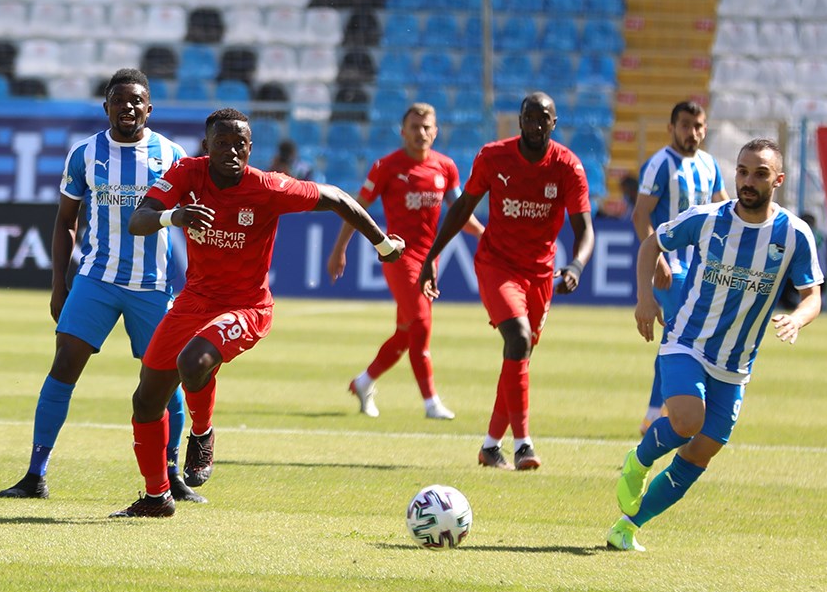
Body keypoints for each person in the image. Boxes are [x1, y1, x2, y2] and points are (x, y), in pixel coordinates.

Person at [110, 108, 404, 517]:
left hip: (246, 307)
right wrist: (172, 216)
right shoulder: (186, 173)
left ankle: (202, 433)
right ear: (206, 146)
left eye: (240, 145)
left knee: (193, 362)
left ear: (250, 148)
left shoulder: (268, 186)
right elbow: (138, 220)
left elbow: (338, 198)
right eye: (222, 143)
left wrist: (383, 245)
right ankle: (157, 497)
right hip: (194, 301)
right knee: (146, 399)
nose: (232, 151)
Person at [0, 68, 204, 504]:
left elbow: (193, 221)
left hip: (153, 286)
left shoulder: (171, 155)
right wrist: (59, 285)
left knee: (165, 382)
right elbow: (65, 222)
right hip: (96, 280)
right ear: (105, 106)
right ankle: (35, 474)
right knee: (63, 367)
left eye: (136, 100)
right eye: (119, 100)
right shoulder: (85, 154)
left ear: (149, 108)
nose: (128, 107)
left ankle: (170, 475)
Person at [607, 138, 823, 552]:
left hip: (736, 364)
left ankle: (628, 527)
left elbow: (812, 294)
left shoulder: (795, 234)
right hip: (687, 341)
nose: (748, 181)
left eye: (760, 174)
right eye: (742, 171)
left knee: (700, 453)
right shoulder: (707, 219)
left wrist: (797, 318)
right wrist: (645, 298)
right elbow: (652, 243)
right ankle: (638, 461)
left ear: (778, 180)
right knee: (688, 420)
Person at [419, 92, 595, 471]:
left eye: (543, 118)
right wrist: (432, 256)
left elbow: (584, 229)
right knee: (518, 337)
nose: (535, 124)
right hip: (496, 265)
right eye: (529, 117)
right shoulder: (493, 157)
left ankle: (490, 447)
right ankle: (523, 445)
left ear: (554, 123)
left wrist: (576, 266)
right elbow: (462, 207)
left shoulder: (567, 166)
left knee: (519, 354)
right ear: (519, 120)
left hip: (541, 274)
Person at [326, 102, 484, 420]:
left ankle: (363, 382)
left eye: (426, 127)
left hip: (429, 260)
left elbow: (459, 213)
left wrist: (484, 234)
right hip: (398, 256)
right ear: (403, 132)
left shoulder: (446, 167)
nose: (420, 133)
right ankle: (431, 402)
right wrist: (339, 248)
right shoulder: (386, 167)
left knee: (405, 333)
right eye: (414, 127)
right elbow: (357, 209)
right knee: (421, 325)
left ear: (436, 132)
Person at [632, 101, 730, 436]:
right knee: (681, 339)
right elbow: (640, 215)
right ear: (671, 128)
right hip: (671, 268)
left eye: (698, 126)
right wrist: (658, 259)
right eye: (686, 125)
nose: (693, 132)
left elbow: (724, 210)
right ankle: (659, 414)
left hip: (701, 270)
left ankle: (656, 414)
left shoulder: (709, 165)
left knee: (676, 340)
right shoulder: (660, 164)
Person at [779, 213, 827, 310]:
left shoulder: (796, 234)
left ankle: (792, 308)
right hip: (821, 278)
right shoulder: (824, 237)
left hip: (795, 277)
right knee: (813, 297)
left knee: (784, 290)